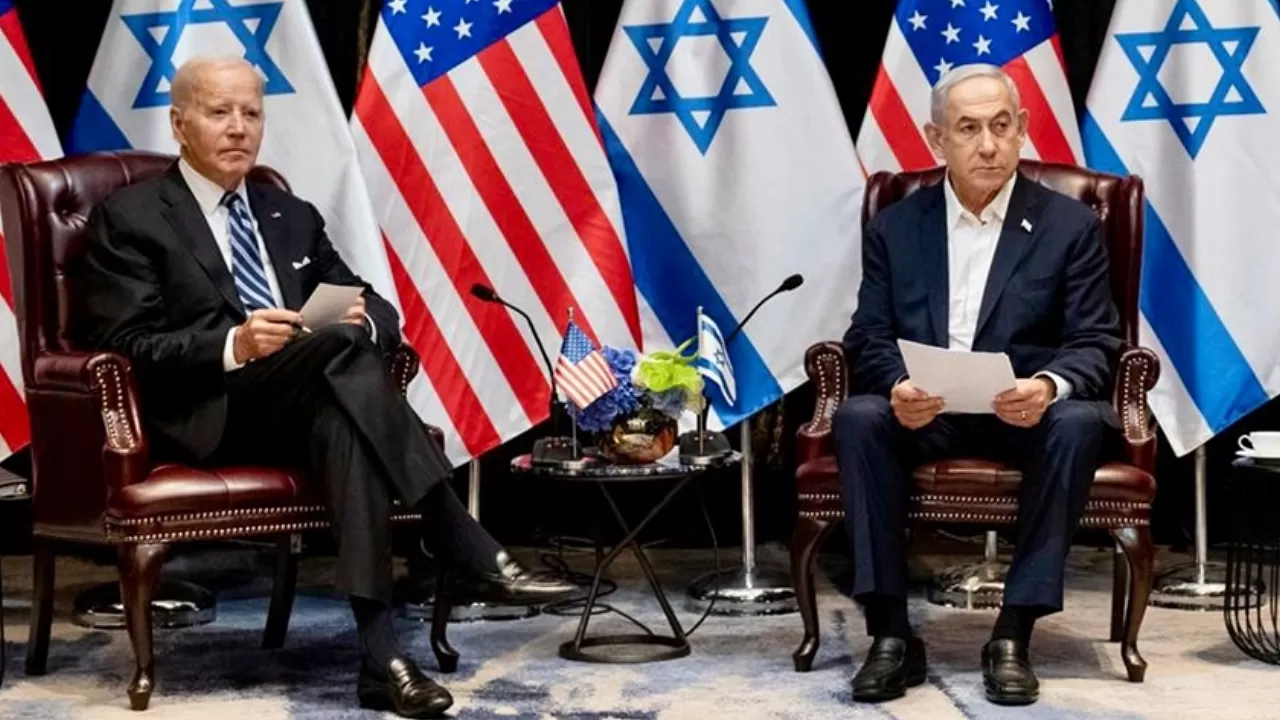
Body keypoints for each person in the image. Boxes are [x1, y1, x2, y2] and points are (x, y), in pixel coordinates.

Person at [71, 56, 574, 719]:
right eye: (219, 112)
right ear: (179, 123)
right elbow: (127, 345)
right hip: (205, 413)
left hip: (306, 402)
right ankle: (460, 536)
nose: (238, 128)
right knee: (339, 354)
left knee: (345, 404)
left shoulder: (289, 213)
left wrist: (365, 320)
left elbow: (374, 305)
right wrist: (236, 343)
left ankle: (382, 661)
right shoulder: (132, 216)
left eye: (251, 113)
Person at [836, 63, 1124, 707]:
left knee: (1078, 421)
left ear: (1022, 129)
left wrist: (1048, 386)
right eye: (968, 129)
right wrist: (897, 386)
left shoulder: (1069, 226)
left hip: (1024, 417)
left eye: (1001, 126)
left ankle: (1013, 633)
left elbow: (1096, 340)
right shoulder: (896, 226)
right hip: (928, 412)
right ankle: (889, 632)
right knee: (859, 417)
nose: (988, 145)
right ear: (937, 139)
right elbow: (869, 335)